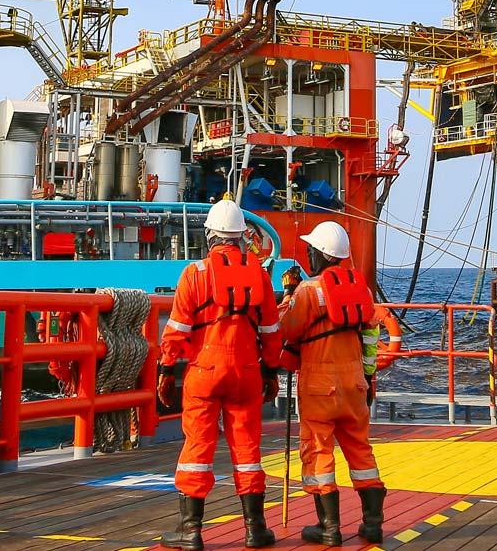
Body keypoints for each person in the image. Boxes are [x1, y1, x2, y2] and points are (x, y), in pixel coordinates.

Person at [157, 198, 282, 550]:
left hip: (205, 371)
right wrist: (271, 371)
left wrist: (166, 371)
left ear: (210, 236)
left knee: (198, 448)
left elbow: (177, 330)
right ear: (242, 238)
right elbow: (272, 331)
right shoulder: (258, 273)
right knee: (247, 450)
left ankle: (190, 530)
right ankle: (255, 529)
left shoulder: (195, 274)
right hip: (246, 372)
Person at [277, 221, 386, 545]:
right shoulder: (362, 291)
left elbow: (286, 329)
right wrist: (368, 378)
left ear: (322, 255)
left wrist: (288, 293)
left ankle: (329, 527)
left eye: (311, 250)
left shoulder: (308, 291)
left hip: (320, 386)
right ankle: (372, 524)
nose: (308, 254)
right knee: (361, 451)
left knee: (318, 451)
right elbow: (370, 336)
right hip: (355, 384)